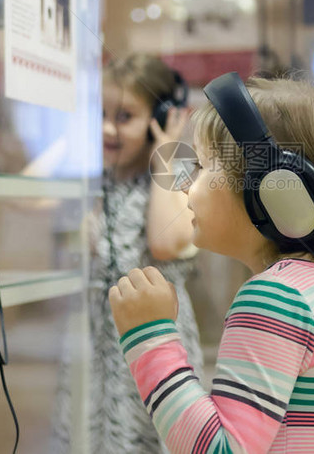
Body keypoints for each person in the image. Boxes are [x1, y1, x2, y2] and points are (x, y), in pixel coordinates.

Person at [108, 73, 314, 453]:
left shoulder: (275, 298)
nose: (186, 184)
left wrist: (149, 336)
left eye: (203, 167)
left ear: (273, 187)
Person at [52, 54, 204, 454]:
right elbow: (29, 198)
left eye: (124, 116)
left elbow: (166, 241)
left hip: (154, 338)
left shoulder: (178, 168)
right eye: (99, 113)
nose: (107, 127)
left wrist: (167, 148)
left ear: (160, 115)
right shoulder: (94, 176)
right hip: (95, 337)